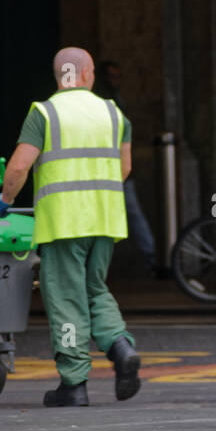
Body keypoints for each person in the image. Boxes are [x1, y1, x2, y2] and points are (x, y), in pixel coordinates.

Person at [0, 47, 140, 407]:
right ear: (87, 73)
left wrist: (5, 201)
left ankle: (74, 383)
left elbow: (19, 167)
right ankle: (120, 348)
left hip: (63, 223)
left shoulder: (44, 113)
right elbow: (125, 167)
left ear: (59, 76)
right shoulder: (113, 112)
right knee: (94, 288)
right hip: (104, 220)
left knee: (66, 300)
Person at [92, 60, 161, 276]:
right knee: (124, 216)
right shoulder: (105, 102)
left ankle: (151, 257)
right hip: (109, 170)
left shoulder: (113, 101)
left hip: (114, 170)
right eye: (111, 76)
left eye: (118, 76)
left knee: (127, 215)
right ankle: (151, 258)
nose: (115, 81)